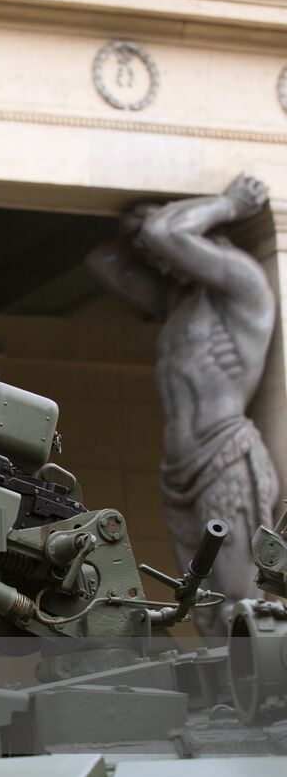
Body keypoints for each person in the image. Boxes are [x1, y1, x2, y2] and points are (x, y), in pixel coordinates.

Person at [86, 175, 278, 635]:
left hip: (224, 457)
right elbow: (102, 261)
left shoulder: (242, 285)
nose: (157, 261)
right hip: (180, 471)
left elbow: (166, 235)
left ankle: (263, 702)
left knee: (239, 597)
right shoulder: (180, 305)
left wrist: (227, 204)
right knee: (202, 602)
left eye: (162, 253)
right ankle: (226, 704)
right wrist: (140, 229)